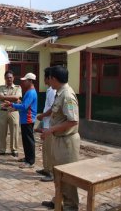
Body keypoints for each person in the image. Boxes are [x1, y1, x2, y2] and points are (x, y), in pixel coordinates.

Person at [41, 66, 80, 211]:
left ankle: (71, 207)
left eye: (49, 78)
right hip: (59, 140)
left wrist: (50, 129)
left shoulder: (68, 95)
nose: (48, 81)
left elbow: (73, 121)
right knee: (57, 173)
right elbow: (56, 112)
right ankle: (58, 201)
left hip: (67, 142)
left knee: (68, 177)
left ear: (54, 79)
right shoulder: (59, 93)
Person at [2, 72, 37, 168]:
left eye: (25, 81)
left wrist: (12, 104)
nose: (24, 82)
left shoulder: (31, 92)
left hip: (28, 119)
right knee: (25, 140)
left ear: (30, 81)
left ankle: (30, 161)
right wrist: (18, 103)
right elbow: (24, 104)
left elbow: (25, 106)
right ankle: (27, 158)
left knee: (29, 141)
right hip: (25, 119)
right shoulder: (29, 91)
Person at [36, 67, 56, 182]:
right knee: (45, 148)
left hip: (50, 125)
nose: (43, 79)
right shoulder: (49, 90)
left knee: (49, 150)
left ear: (49, 78)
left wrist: (42, 116)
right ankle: (46, 168)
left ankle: (51, 172)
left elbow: (53, 108)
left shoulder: (53, 91)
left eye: (45, 77)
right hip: (46, 124)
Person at [0, 70, 22, 156]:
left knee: (14, 132)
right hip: (3, 112)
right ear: (5, 78)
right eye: (7, 77)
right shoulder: (1, 87)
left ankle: (14, 150)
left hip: (13, 112)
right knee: (1, 132)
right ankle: (1, 149)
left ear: (13, 78)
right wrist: (14, 98)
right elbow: (0, 97)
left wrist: (5, 98)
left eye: (10, 77)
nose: (9, 79)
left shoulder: (18, 87)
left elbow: (17, 97)